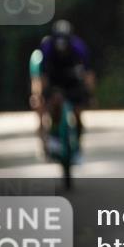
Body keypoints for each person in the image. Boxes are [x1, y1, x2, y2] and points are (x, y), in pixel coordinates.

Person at [37, 20, 95, 153]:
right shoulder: (47, 47)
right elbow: (42, 75)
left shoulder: (79, 47)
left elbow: (88, 73)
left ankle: (78, 145)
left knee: (78, 112)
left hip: (73, 81)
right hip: (54, 81)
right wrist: (42, 94)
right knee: (55, 103)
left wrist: (90, 94)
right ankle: (54, 136)